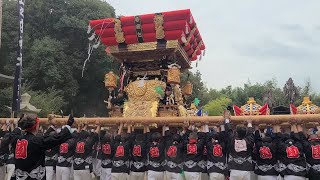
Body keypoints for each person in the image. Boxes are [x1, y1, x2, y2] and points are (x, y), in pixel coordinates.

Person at [10, 114, 74, 180]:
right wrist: (68, 125)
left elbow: (13, 134)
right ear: (36, 126)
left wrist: (18, 126)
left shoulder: (16, 140)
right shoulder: (36, 141)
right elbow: (57, 138)